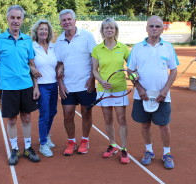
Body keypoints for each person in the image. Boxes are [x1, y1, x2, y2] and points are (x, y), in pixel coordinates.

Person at [0, 5, 40, 165]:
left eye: (19, 18)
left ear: (22, 20)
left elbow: (32, 65)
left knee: (26, 117)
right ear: (7, 19)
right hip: (8, 88)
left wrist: (36, 86)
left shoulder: (27, 40)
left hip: (26, 86)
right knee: (11, 120)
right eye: (13, 17)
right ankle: (14, 150)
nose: (16, 21)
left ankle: (28, 148)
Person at [127, 15, 179, 169]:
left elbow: (174, 71)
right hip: (141, 96)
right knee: (145, 124)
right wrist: (140, 89)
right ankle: (149, 151)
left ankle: (167, 153)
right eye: (151, 26)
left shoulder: (168, 47)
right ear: (146, 28)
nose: (154, 29)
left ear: (162, 29)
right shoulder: (137, 47)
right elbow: (130, 70)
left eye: (157, 26)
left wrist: (165, 90)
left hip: (162, 96)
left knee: (164, 126)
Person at [54, 9, 97, 156]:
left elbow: (94, 59)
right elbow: (58, 65)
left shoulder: (87, 36)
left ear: (74, 21)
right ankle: (71, 141)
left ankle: (85, 140)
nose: (67, 22)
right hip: (68, 86)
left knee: (86, 112)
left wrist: (92, 79)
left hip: (86, 84)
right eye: (64, 20)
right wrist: (61, 85)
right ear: (61, 23)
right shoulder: (59, 41)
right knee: (68, 115)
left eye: (69, 19)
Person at [91, 18, 131, 164]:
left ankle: (124, 148)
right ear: (102, 31)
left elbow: (131, 66)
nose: (109, 30)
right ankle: (112, 144)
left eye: (112, 28)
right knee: (108, 119)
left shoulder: (123, 48)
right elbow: (94, 70)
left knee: (121, 119)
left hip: (120, 88)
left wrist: (132, 75)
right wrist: (101, 81)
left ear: (115, 31)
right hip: (103, 90)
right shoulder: (97, 49)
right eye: (106, 28)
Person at [30, 19, 57, 157]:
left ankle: (45, 136)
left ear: (49, 32)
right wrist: (35, 85)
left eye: (46, 29)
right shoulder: (32, 46)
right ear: (36, 31)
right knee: (44, 114)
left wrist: (61, 69)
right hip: (41, 86)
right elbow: (28, 63)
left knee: (53, 112)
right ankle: (43, 144)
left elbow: (58, 63)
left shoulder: (53, 47)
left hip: (54, 84)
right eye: (41, 29)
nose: (44, 31)